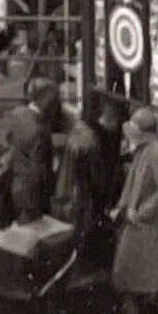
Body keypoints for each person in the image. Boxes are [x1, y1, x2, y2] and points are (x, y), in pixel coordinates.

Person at [110, 106, 158, 314]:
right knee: (125, 275)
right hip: (134, 223)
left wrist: (141, 212)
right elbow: (132, 182)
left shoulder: (156, 153)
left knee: (126, 275)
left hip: (145, 227)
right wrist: (122, 206)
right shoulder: (144, 150)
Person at [52, 98, 109, 265]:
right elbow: (97, 176)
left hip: (65, 191)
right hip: (79, 195)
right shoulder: (90, 139)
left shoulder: (75, 134)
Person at [0, 77, 61, 224]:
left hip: (16, 188)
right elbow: (38, 171)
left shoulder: (18, 114)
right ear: (43, 98)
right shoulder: (40, 130)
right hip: (32, 198)